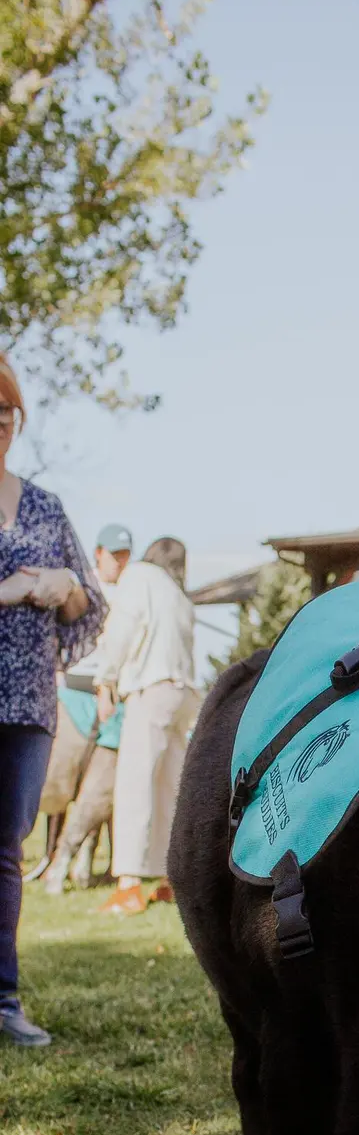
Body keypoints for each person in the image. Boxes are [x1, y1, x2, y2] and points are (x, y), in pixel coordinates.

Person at [0, 355, 106, 1044]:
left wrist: (65, 588)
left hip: (27, 703)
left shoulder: (43, 504)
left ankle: (3, 1002)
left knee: (5, 850)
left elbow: (91, 604)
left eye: (5, 416)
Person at [92, 536, 199, 915]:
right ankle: (173, 879)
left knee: (136, 784)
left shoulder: (139, 576)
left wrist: (105, 679)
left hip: (151, 686)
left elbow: (123, 628)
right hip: (183, 691)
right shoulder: (180, 595)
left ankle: (130, 886)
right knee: (171, 787)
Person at [35, 523, 133, 888]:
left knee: (101, 787)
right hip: (72, 688)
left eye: (125, 554)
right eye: (114, 554)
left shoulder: (130, 592)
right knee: (56, 780)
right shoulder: (82, 588)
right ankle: (52, 859)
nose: (119, 561)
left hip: (110, 695)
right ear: (98, 553)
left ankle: (77, 864)